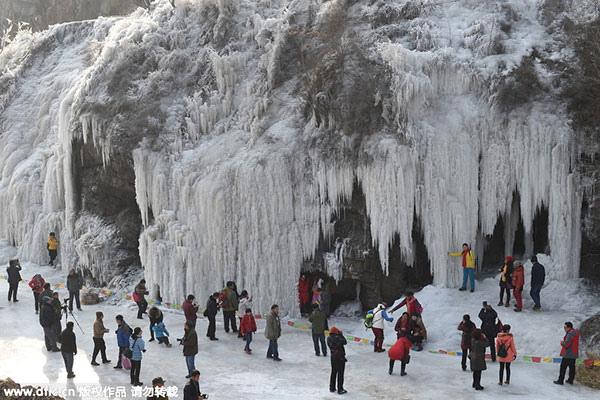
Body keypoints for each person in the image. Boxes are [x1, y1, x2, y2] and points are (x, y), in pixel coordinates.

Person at [326, 327, 347, 394]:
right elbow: (344, 342)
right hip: (340, 357)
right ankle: (340, 389)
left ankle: (332, 387)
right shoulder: (338, 338)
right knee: (340, 373)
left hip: (333, 356)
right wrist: (341, 335)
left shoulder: (328, 338)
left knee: (333, 372)